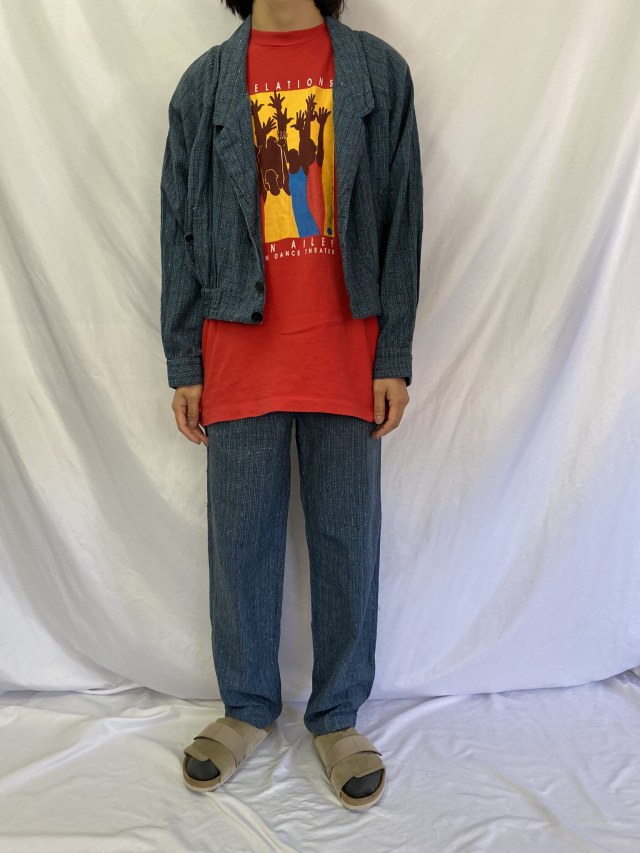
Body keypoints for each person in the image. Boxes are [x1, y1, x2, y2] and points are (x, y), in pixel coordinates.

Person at [160, 0, 423, 811]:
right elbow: (177, 226)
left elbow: (404, 218)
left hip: (346, 350)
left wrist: (394, 352)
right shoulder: (205, 85)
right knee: (239, 542)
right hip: (237, 349)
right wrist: (183, 357)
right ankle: (245, 707)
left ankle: (338, 715)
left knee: (347, 539)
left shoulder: (377, 73)